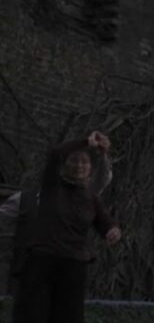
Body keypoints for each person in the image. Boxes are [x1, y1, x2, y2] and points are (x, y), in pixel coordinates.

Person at [12, 131, 122, 323]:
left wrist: (113, 230)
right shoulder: (52, 186)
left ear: (90, 168)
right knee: (34, 314)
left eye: (84, 163)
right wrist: (84, 142)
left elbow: (105, 222)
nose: (79, 166)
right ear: (65, 165)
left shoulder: (91, 197)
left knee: (68, 316)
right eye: (74, 161)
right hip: (43, 259)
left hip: (73, 264)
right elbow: (55, 153)